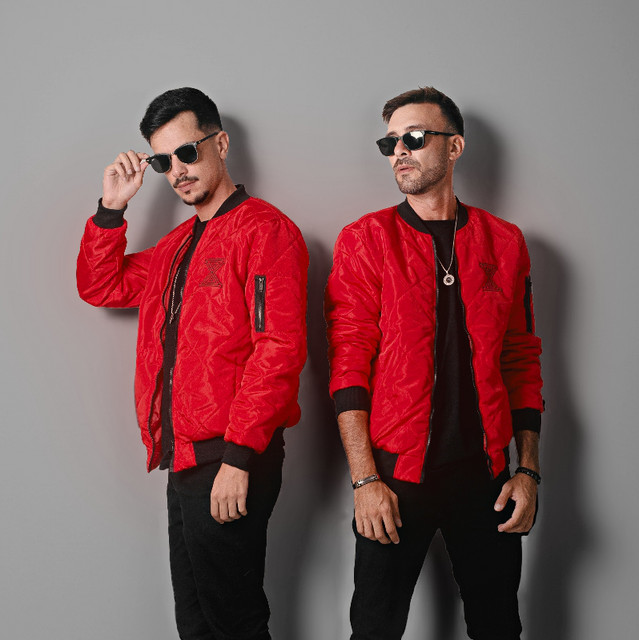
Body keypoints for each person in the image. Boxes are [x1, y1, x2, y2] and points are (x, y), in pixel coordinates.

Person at [77, 87, 308, 640]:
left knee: (235, 621)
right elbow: (101, 285)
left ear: (220, 144)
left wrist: (238, 458)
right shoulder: (176, 246)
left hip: (229, 457)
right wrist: (112, 208)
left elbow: (278, 349)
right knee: (197, 623)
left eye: (187, 152)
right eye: (163, 162)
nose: (177, 171)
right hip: (184, 459)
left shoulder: (265, 230)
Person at [325, 87, 544, 640]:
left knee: (499, 627)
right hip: (396, 479)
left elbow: (521, 358)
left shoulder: (505, 242)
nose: (400, 151)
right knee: (374, 629)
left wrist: (527, 469)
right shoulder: (365, 240)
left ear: (454, 147)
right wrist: (365, 479)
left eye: (415, 138)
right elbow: (348, 366)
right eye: (390, 143)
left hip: (488, 478)